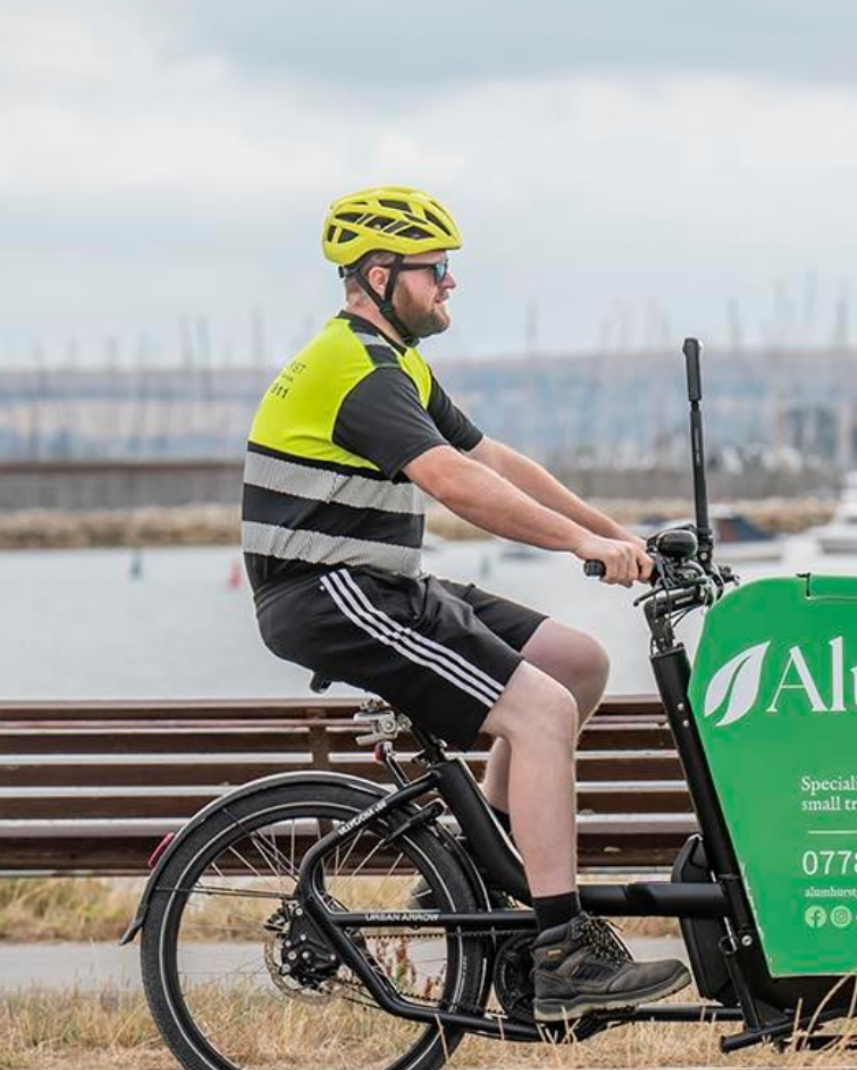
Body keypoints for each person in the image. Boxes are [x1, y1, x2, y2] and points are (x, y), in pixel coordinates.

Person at [242, 185, 690, 1019]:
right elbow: (455, 485)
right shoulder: (358, 371)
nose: (449, 285)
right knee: (543, 713)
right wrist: (579, 548)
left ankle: (487, 863)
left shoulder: (395, 360)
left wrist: (615, 532)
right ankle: (559, 948)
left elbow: (491, 457)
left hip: (375, 580)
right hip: (332, 592)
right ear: (380, 277)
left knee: (576, 663)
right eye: (435, 270)